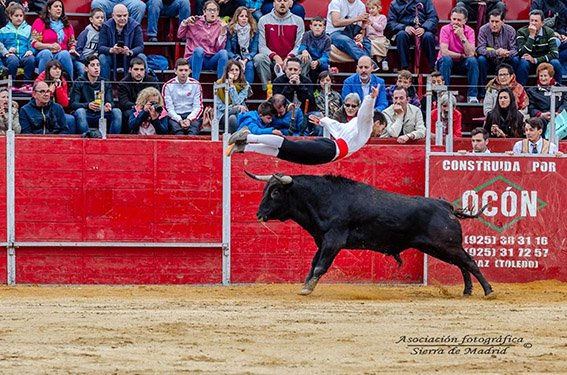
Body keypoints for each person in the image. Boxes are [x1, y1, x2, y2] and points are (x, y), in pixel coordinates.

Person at [226, 86, 379, 165]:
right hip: (331, 150)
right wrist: (370, 99)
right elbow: (366, 116)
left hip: (330, 153)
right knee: (290, 147)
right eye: (382, 127)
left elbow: (338, 127)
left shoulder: (353, 125)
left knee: (286, 154)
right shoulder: (366, 128)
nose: (381, 131)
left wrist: (323, 121)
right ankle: (248, 137)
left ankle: (244, 148)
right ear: (377, 123)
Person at [254, 0, 304, 90]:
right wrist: (275, 57)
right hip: (271, 60)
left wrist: (289, 57)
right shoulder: (264, 20)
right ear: (273, 3)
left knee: (305, 58)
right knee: (259, 58)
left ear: (290, 3)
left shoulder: (298, 21)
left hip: (291, 60)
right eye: (279, 0)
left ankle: (297, 87)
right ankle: (268, 90)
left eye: (285, 1)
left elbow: (299, 46)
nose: (282, 3)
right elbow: (262, 47)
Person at [436, 7, 480, 103]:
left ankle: (472, 96)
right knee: (446, 59)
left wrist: (462, 36)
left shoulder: (470, 31)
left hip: (462, 63)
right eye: (454, 19)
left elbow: (471, 53)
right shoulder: (445, 29)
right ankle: (444, 94)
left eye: (459, 20)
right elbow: (444, 52)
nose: (455, 22)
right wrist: (460, 55)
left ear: (465, 21)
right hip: (446, 62)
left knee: (473, 61)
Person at [70, 55, 122, 135]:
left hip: (101, 113)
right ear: (86, 68)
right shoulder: (79, 82)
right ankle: (87, 138)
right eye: (92, 65)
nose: (96, 68)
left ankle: (112, 140)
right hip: (86, 113)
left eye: (98, 65)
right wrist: (88, 105)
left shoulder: (105, 82)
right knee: (80, 112)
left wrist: (108, 105)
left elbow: (111, 102)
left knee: (117, 111)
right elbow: (73, 104)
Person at [178, 0, 228, 80]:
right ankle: (195, 82)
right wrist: (185, 23)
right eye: (209, 10)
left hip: (211, 59)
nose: (212, 12)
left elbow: (219, 48)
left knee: (224, 53)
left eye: (215, 10)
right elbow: (180, 35)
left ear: (218, 13)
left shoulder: (221, 25)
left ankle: (220, 85)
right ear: (204, 12)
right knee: (199, 50)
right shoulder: (195, 21)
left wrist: (222, 33)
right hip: (195, 58)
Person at [513, 9, 562, 86]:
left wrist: (535, 60)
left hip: (544, 61)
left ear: (542, 23)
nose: (533, 23)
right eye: (531, 20)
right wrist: (531, 36)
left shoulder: (549, 32)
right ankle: (521, 90)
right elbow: (521, 53)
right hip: (529, 62)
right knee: (523, 63)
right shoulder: (521, 32)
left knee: (555, 63)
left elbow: (555, 54)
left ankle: (559, 90)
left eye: (536, 21)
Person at [386, 0, 438, 72]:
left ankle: (433, 69)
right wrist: (404, 27)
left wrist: (424, 28)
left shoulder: (425, 1)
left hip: (423, 30)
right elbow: (391, 23)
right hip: (405, 32)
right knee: (401, 35)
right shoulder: (394, 4)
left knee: (428, 36)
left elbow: (433, 18)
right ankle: (404, 69)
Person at [98, 4, 145, 81]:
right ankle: (105, 88)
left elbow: (140, 47)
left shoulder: (135, 26)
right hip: (112, 58)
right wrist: (111, 50)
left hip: (129, 57)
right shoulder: (106, 26)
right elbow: (100, 47)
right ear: (113, 16)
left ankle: (142, 88)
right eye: (119, 16)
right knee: (102, 58)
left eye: (125, 15)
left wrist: (130, 52)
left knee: (141, 57)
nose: (123, 18)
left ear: (128, 15)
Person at [30, 0, 77, 79]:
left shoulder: (67, 24)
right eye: (56, 6)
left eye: (60, 7)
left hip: (60, 53)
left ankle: (70, 85)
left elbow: (72, 42)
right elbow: (34, 43)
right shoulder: (40, 22)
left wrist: (72, 48)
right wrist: (50, 46)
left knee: (65, 54)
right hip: (43, 53)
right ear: (49, 9)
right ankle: (43, 84)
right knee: (46, 53)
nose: (59, 9)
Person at [476, 9, 517, 92]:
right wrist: (496, 52)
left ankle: (513, 90)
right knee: (481, 60)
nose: (494, 25)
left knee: (515, 60)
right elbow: (480, 49)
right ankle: (482, 93)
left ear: (502, 21)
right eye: (492, 21)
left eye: (497, 22)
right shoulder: (483, 30)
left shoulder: (510, 30)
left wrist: (507, 53)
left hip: (505, 60)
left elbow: (515, 50)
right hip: (489, 60)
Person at [162, 58, 203, 135]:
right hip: (175, 115)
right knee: (177, 130)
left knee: (193, 130)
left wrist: (189, 119)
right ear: (175, 71)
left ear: (190, 71)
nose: (183, 73)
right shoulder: (167, 86)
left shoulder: (196, 85)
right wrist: (179, 120)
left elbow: (198, 107)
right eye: (181, 70)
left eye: (186, 70)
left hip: (191, 114)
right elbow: (168, 108)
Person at [0, 2, 35, 92]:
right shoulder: (3, 30)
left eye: (21, 15)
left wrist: (30, 50)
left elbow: (33, 41)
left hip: (24, 55)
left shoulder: (29, 29)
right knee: (13, 60)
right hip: (9, 56)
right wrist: (7, 51)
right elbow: (0, 44)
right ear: (10, 16)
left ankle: (27, 84)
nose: (19, 18)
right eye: (16, 16)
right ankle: (12, 83)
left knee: (31, 59)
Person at [118, 57, 160, 131]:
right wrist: (140, 108)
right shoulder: (123, 83)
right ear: (130, 70)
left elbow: (157, 99)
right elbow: (124, 103)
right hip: (132, 109)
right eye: (136, 69)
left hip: (150, 109)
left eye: (141, 70)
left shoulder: (152, 81)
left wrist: (148, 108)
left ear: (145, 71)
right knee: (128, 114)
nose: (139, 72)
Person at [34, 58, 75, 133]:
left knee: (70, 119)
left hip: (57, 111)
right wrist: (50, 91)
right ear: (48, 70)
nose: (58, 71)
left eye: (59, 69)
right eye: (54, 69)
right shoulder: (40, 80)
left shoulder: (63, 81)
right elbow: (38, 99)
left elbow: (64, 104)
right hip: (41, 111)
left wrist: (58, 88)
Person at [527, 62, 567, 131]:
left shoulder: (562, 88)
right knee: (538, 122)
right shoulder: (532, 91)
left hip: (560, 116)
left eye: (545, 76)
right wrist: (541, 114)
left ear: (551, 76)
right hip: (542, 118)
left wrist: (559, 112)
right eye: (541, 76)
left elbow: (566, 102)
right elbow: (531, 107)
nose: (543, 78)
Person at [214, 60, 250, 133]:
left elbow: (236, 102)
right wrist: (234, 108)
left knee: (233, 118)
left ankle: (231, 139)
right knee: (234, 115)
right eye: (232, 70)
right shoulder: (219, 84)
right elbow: (220, 106)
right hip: (223, 114)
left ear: (240, 71)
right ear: (227, 72)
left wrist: (231, 86)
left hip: (238, 114)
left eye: (237, 70)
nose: (234, 72)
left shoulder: (245, 85)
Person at [226, 6, 259, 84]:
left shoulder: (254, 30)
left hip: (248, 57)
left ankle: (246, 91)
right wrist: (238, 59)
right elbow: (228, 50)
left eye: (246, 16)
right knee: (233, 65)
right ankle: (232, 88)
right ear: (236, 18)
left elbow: (254, 50)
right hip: (234, 56)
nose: (244, 18)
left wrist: (246, 60)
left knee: (250, 65)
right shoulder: (230, 30)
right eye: (241, 16)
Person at [298, 15, 331, 83]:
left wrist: (318, 62)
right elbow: (302, 46)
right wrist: (304, 50)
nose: (317, 27)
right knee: (303, 59)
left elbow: (326, 56)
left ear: (324, 28)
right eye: (315, 25)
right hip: (308, 58)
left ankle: (322, 85)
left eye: (320, 25)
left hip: (320, 60)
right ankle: (304, 83)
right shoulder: (306, 35)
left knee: (324, 66)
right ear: (311, 27)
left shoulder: (327, 39)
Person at [75, 7, 105, 79]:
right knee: (83, 70)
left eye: (102, 17)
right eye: (97, 17)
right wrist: (86, 61)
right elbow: (78, 50)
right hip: (81, 60)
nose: (100, 19)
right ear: (91, 19)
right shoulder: (86, 32)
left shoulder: (103, 33)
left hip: (93, 61)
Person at [364, 0, 389, 71]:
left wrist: (372, 23)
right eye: (369, 9)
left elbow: (381, 28)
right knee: (368, 44)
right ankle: (371, 61)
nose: (371, 10)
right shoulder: (368, 17)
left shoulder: (382, 17)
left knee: (381, 44)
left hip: (379, 37)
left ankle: (384, 60)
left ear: (378, 8)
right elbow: (364, 28)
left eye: (373, 8)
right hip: (369, 37)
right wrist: (363, 23)